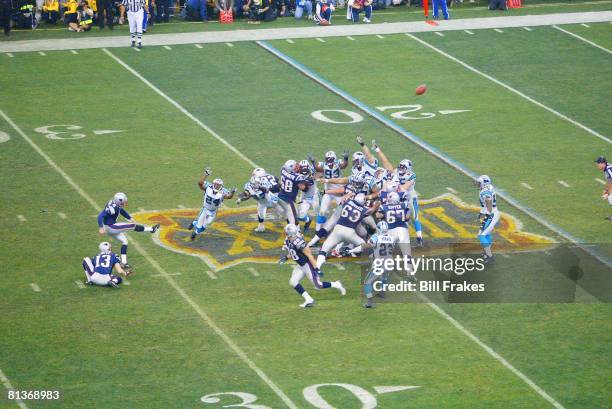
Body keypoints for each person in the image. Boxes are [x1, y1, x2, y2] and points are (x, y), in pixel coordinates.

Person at [281, 224, 345, 308]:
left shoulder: (300, 243)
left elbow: (310, 256)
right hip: (300, 265)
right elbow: (294, 251)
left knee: (318, 285)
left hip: (308, 265)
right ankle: (309, 300)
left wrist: (316, 269)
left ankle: (336, 284)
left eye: (285, 232)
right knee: (293, 282)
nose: (284, 233)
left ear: (289, 234)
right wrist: (286, 257)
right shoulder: (288, 239)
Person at [316, 193, 380, 269]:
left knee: (323, 250)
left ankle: (317, 268)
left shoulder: (346, 202)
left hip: (337, 231)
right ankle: (377, 263)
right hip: (350, 233)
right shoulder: (363, 210)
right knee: (365, 246)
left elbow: (343, 199)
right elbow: (372, 210)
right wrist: (377, 203)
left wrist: (350, 194)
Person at [98, 192, 160, 268]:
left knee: (125, 241)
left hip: (110, 227)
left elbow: (121, 210)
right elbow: (100, 216)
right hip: (111, 227)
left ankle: (124, 263)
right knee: (132, 225)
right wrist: (101, 227)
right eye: (123, 202)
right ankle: (151, 229)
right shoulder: (112, 209)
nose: (124, 203)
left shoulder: (114, 204)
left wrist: (129, 218)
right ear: (118, 201)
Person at [343, 220, 396, 308]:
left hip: (380, 264)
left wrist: (350, 250)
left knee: (367, 282)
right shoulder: (392, 237)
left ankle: (370, 302)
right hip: (390, 263)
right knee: (384, 277)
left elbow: (364, 247)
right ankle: (383, 293)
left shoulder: (375, 237)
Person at [188, 167, 236, 240]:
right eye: (216, 184)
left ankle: (195, 229)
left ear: (221, 186)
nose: (216, 186)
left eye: (218, 185)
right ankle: (194, 229)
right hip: (205, 209)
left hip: (213, 211)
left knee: (205, 225)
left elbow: (229, 197)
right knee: (199, 225)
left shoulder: (223, 191)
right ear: (213, 183)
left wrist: (232, 192)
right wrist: (206, 174)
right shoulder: (208, 187)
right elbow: (200, 183)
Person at [476, 175, 499, 263]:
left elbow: (488, 200)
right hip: (492, 213)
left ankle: (489, 256)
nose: (478, 184)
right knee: (485, 234)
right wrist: (482, 212)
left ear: (484, 183)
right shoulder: (489, 187)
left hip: (491, 215)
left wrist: (488, 213)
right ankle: (487, 252)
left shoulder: (485, 192)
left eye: (479, 183)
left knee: (481, 235)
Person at [277, 160, 307, 225]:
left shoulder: (283, 170)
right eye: (296, 166)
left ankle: (292, 229)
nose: (297, 167)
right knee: (294, 220)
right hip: (288, 200)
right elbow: (303, 188)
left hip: (280, 197)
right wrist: (306, 180)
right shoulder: (298, 177)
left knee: (288, 215)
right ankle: (293, 234)